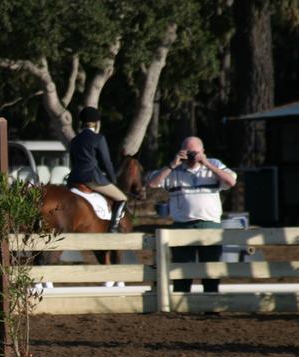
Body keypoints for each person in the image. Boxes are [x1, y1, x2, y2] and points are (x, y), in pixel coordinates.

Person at [147, 136, 238, 293]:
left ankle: (211, 302)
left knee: (211, 269)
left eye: (195, 152)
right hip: (182, 225)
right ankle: (181, 302)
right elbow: (152, 184)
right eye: (188, 152)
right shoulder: (173, 169)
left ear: (203, 151)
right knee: (181, 270)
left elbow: (231, 181)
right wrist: (172, 164)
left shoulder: (214, 164)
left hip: (209, 224)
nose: (191, 156)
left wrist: (206, 163)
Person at [66, 106, 128, 232]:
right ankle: (113, 228)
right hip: (92, 179)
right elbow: (106, 162)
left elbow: (72, 163)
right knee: (122, 198)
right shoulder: (99, 138)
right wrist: (113, 181)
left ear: (82, 122)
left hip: (73, 179)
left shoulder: (74, 140)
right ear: (97, 123)